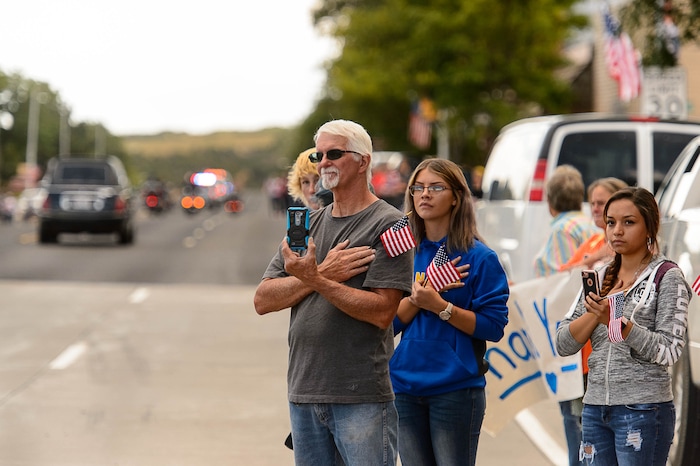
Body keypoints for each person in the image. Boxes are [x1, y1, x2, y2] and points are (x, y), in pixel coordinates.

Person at [253, 119, 414, 465]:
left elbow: (382, 312)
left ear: (363, 161)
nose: (323, 162)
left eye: (334, 153)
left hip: (361, 396)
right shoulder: (306, 224)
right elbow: (263, 300)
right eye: (318, 154)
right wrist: (322, 273)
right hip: (304, 390)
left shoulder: (392, 224)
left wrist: (316, 279)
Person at [556, 187, 691, 465]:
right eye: (611, 222)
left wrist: (619, 323)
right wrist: (596, 314)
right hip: (594, 408)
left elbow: (670, 351)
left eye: (628, 222)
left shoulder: (667, 276)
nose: (617, 230)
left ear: (649, 227)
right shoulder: (599, 276)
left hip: (643, 410)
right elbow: (563, 343)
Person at [389, 158, 509, 466]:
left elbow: (493, 327)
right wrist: (417, 300)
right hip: (403, 387)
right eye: (419, 187)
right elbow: (385, 326)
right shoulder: (402, 254)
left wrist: (442, 307)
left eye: (436, 187)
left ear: (456, 196)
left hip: (455, 390)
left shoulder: (479, 257)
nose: (425, 194)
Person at [533, 164, 598, 466]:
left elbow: (561, 286)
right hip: (590, 339)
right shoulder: (591, 226)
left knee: (575, 418)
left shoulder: (561, 231)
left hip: (570, 340)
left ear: (550, 201)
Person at [560, 177, 628, 272]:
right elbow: (563, 274)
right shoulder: (594, 241)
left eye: (600, 203)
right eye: (592, 204)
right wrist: (596, 256)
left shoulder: (632, 242)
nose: (595, 209)